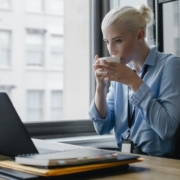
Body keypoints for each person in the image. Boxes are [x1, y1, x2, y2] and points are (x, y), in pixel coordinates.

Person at [89, 4, 180, 157]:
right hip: (126, 159)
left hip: (161, 163)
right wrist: (100, 86)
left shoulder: (170, 65)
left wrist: (133, 82)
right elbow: (101, 127)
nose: (111, 50)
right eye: (107, 41)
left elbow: (166, 129)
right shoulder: (122, 71)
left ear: (140, 35)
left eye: (117, 41)